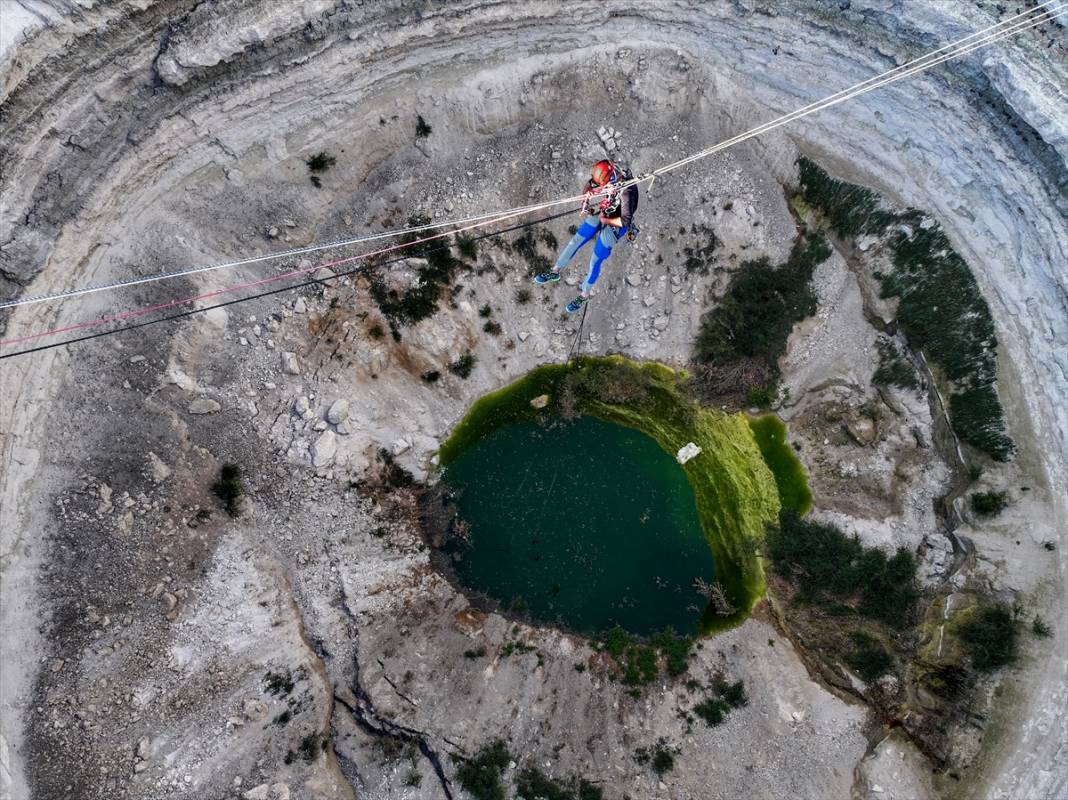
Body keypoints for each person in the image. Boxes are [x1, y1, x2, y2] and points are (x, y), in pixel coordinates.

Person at [535, 159, 639, 313]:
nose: (602, 186)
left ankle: (584, 295)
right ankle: (555, 271)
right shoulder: (610, 175)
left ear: (611, 178)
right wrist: (586, 200)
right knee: (576, 240)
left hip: (617, 225)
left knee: (595, 260)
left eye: (604, 184)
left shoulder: (627, 192)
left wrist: (604, 219)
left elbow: (625, 221)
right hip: (606, 212)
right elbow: (591, 184)